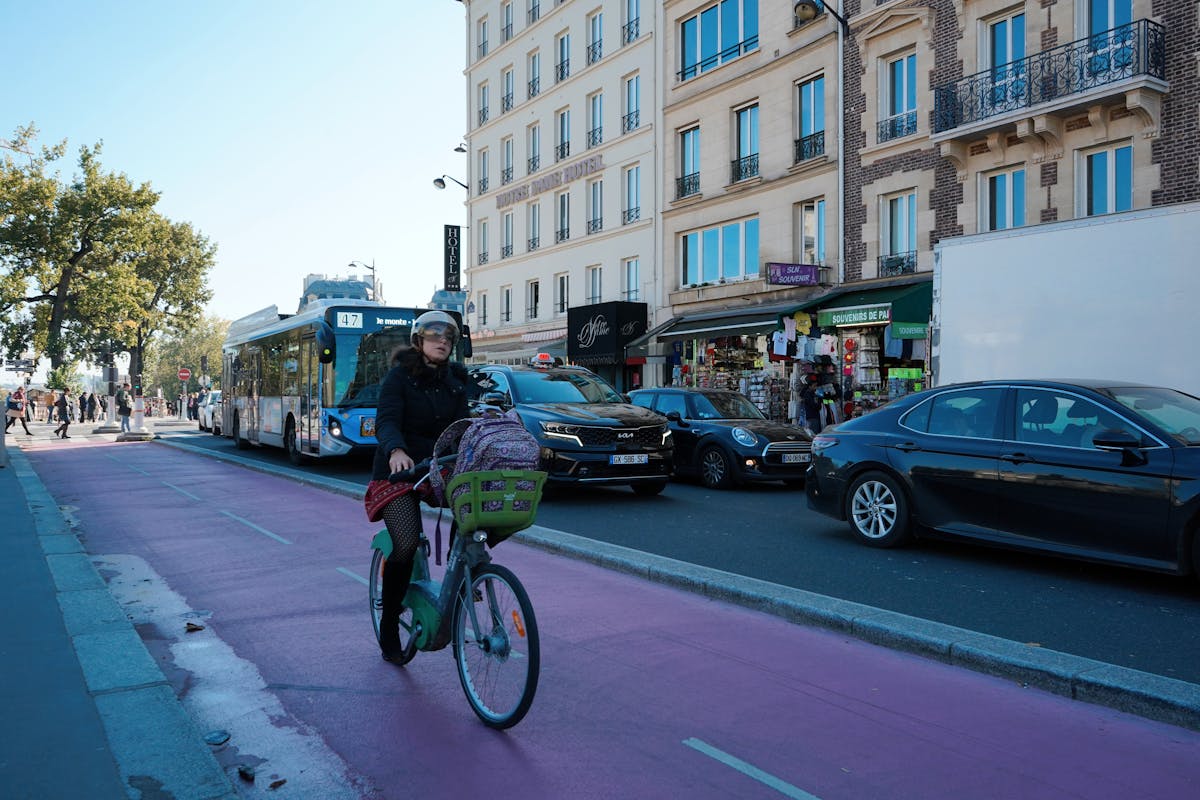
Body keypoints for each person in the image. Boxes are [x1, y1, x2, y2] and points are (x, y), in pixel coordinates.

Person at [363, 311, 470, 662]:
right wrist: (395, 451)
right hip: (401, 471)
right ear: (419, 341)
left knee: (479, 513)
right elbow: (387, 420)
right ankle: (391, 622)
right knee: (407, 542)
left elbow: (462, 426)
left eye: (449, 339)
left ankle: (468, 573)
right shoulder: (399, 378)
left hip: (438, 467)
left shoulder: (455, 381)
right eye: (436, 336)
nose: (443, 342)